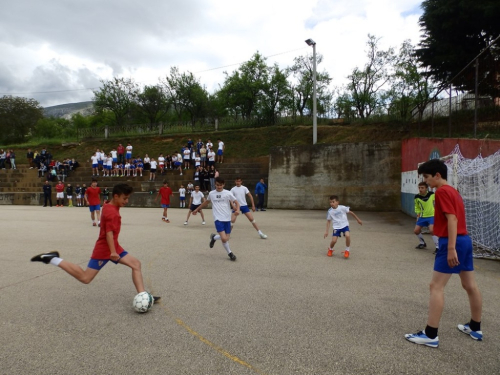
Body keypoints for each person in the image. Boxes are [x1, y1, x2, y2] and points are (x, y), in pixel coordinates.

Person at [30, 183, 160, 305]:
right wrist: (113, 252)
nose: (127, 201)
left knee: (136, 264)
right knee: (85, 278)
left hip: (114, 247)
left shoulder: (110, 205)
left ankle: (143, 296)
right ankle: (53, 259)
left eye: (128, 198)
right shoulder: (111, 212)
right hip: (105, 249)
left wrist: (115, 249)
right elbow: (109, 233)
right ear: (116, 196)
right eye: (125, 198)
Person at [405, 159, 483, 348]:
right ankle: (475, 327)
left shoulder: (442, 192)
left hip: (453, 241)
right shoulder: (454, 191)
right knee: (469, 285)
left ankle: (430, 334)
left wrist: (450, 248)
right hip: (465, 241)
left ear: (437, 175)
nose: (426, 181)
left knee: (436, 286)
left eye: (427, 177)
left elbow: (452, 219)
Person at [192, 177, 240, 261]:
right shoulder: (211, 193)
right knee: (224, 239)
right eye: (217, 185)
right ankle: (230, 253)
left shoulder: (228, 193)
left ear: (223, 185)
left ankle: (214, 237)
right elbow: (206, 202)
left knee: (227, 238)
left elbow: (236, 202)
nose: (219, 187)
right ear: (215, 184)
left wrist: (238, 210)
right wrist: (196, 209)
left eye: (221, 185)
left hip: (227, 218)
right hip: (218, 218)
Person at [414, 182, 439, 254]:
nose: (420, 189)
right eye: (419, 188)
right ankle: (422, 243)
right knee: (416, 231)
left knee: (432, 230)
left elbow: (438, 200)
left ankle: (438, 247)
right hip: (422, 216)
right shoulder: (417, 197)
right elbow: (417, 207)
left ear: (426, 188)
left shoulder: (431, 194)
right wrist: (418, 216)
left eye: (422, 188)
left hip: (432, 216)